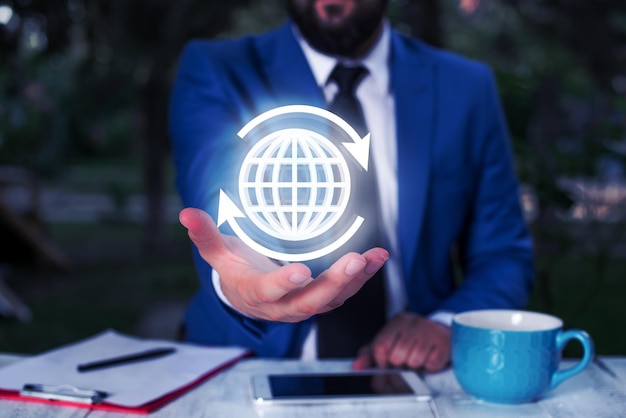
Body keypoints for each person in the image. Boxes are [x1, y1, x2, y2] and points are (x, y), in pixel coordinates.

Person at [168, 0, 534, 372]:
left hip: (411, 371)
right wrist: (242, 273)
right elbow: (216, 186)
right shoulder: (218, 70)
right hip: (245, 367)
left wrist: (446, 324)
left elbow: (502, 252)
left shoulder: (466, 88)